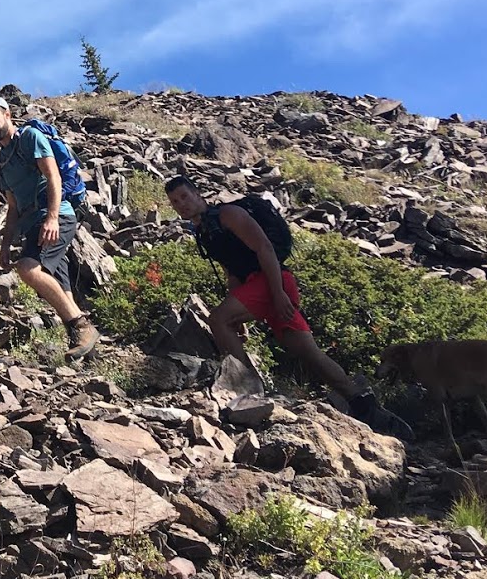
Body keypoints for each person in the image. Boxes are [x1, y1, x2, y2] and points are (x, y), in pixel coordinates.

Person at [164, 175, 413, 439]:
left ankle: (249, 390)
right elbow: (232, 272)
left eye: (184, 197)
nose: (181, 204)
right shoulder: (205, 231)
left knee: (219, 321)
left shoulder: (228, 214)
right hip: (259, 287)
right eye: (175, 201)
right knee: (309, 354)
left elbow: (265, 248)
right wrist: (240, 315)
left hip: (273, 282)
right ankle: (363, 403)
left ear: (198, 194)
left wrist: (278, 294)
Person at [0, 94, 99, 359]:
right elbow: (12, 208)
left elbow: (52, 174)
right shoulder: (2, 160)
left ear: (7, 114)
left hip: (55, 217)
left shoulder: (30, 137)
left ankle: (82, 327)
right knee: (62, 292)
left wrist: (53, 217)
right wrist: (6, 244)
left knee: (28, 269)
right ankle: (87, 357)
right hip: (32, 223)